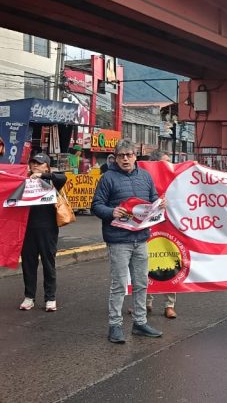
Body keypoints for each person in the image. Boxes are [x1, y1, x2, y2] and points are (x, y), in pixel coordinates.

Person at [92, 139, 163, 344]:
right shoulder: (107, 178)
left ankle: (140, 323)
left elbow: (153, 199)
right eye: (122, 155)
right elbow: (96, 205)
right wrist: (111, 212)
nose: (126, 159)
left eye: (129, 155)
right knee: (119, 285)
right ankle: (115, 325)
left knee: (141, 283)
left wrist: (160, 204)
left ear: (135, 156)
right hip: (118, 240)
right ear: (116, 157)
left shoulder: (145, 177)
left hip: (140, 238)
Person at [19, 152, 67, 312]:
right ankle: (29, 297)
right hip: (27, 228)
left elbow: (63, 178)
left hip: (48, 228)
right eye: (33, 163)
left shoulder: (52, 180)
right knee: (28, 264)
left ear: (47, 166)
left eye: (39, 163)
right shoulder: (23, 179)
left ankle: (50, 298)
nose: (35, 166)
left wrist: (43, 175)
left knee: (48, 262)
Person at [145, 150, 177, 319]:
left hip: (170, 228)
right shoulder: (145, 177)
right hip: (150, 227)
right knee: (146, 265)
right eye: (165, 161)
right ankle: (145, 303)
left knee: (170, 263)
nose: (169, 164)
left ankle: (169, 305)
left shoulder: (175, 178)